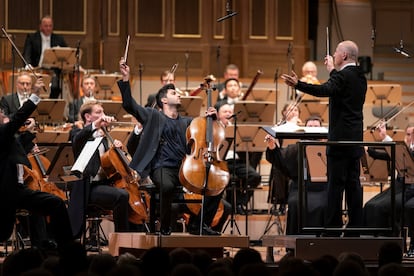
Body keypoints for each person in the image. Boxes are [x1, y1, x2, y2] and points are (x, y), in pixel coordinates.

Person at [118, 57, 222, 235]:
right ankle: (165, 227)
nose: (178, 94)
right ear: (164, 101)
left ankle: (198, 225)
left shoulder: (188, 121)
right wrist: (126, 78)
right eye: (174, 93)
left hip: (185, 167)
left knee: (216, 182)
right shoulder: (153, 116)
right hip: (162, 167)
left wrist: (212, 118)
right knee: (166, 187)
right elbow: (129, 105)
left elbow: (207, 135)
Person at [282, 40, 367, 235]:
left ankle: (333, 230)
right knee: (353, 185)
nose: (334, 55)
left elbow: (323, 90)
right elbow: (339, 87)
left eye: (336, 52)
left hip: (339, 141)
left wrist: (298, 84)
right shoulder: (361, 76)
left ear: (344, 56)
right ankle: (355, 229)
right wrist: (332, 72)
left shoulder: (342, 76)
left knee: (335, 187)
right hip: (355, 139)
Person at [0, 78, 73, 251]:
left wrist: (30, 131)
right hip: (6, 192)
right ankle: (61, 247)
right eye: (1, 113)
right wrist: (34, 95)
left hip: (19, 190)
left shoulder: (6, 137)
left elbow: (18, 148)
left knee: (55, 203)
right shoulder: (2, 133)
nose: (3, 114)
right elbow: (17, 120)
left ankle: (61, 247)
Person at [68, 100, 132, 239]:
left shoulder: (103, 137)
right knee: (121, 196)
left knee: (126, 194)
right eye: (98, 112)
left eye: (103, 112)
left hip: (102, 184)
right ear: (88, 117)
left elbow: (109, 165)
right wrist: (97, 125)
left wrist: (118, 151)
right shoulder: (77, 132)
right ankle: (122, 240)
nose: (102, 115)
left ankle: (128, 238)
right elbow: (78, 138)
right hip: (87, 187)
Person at [265, 116, 328, 235]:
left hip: (322, 188)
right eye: (310, 127)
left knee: (324, 204)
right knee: (295, 203)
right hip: (299, 188)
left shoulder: (328, 149)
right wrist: (272, 146)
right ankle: (295, 243)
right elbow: (279, 160)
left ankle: (322, 240)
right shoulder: (294, 149)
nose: (313, 129)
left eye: (316, 127)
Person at [364, 122, 414, 257]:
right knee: (370, 205)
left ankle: (387, 244)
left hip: (410, 189)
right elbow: (387, 155)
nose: (411, 138)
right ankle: (369, 243)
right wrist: (368, 150)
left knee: (384, 207)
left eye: (413, 135)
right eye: (409, 134)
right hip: (399, 187)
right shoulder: (405, 150)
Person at [215, 102, 261, 213]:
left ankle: (240, 203)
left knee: (255, 176)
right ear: (218, 114)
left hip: (236, 161)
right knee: (227, 180)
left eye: (230, 112)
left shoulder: (239, 129)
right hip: (220, 162)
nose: (228, 113)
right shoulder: (214, 127)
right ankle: (226, 206)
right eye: (224, 111)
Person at [23, 15, 68, 99]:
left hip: (52, 71)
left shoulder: (59, 38)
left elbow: (67, 53)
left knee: (55, 87)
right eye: (46, 26)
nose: (48, 28)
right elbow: (27, 53)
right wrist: (28, 64)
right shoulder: (32, 37)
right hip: (37, 69)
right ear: (40, 27)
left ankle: (51, 105)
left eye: (50, 26)